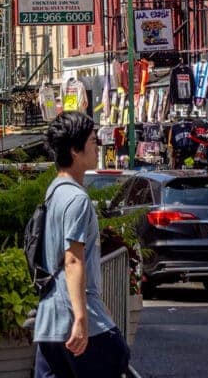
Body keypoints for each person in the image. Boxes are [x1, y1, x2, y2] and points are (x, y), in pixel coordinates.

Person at [34, 111, 130, 378]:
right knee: (116, 357)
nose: (97, 145)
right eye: (92, 140)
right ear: (75, 150)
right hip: (76, 319)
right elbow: (73, 259)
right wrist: (81, 318)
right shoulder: (77, 200)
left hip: (49, 320)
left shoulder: (53, 192)